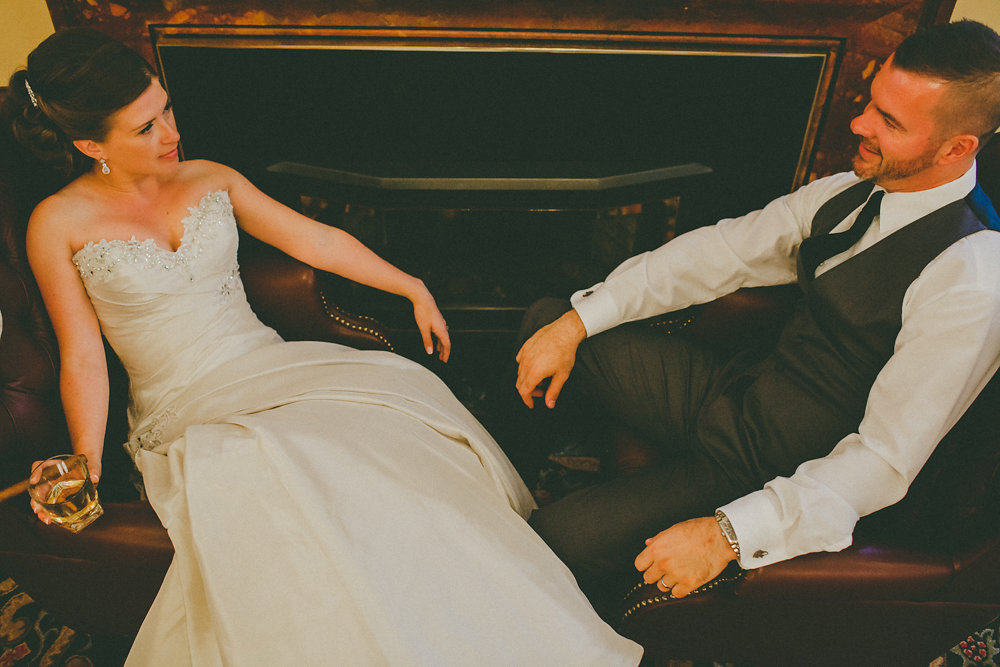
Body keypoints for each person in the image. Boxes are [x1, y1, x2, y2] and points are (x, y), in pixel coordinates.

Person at [7, 27, 642, 666]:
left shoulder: (209, 178)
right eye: (145, 128)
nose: (171, 132)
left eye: (166, 109)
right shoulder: (57, 223)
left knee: (394, 435)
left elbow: (315, 240)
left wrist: (411, 285)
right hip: (187, 407)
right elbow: (82, 352)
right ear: (91, 145)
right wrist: (86, 460)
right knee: (298, 477)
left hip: (277, 367)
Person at [515, 19, 1000, 614]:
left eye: (890, 122)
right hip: (734, 394)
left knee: (556, 541)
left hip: (774, 468)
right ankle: (532, 469)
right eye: (872, 103)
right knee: (551, 319)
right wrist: (577, 324)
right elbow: (724, 251)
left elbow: (883, 459)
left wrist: (728, 534)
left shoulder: (971, 277)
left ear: (957, 148)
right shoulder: (851, 191)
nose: (859, 124)